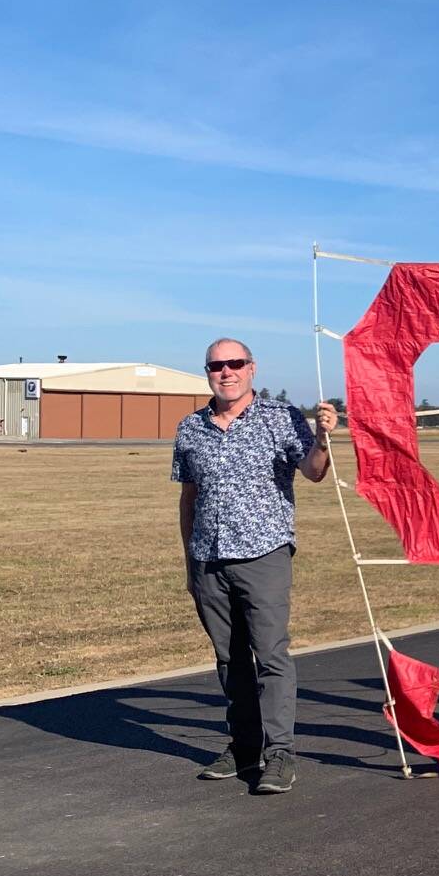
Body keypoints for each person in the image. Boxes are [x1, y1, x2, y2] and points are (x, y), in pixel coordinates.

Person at [173, 339, 337, 795]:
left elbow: (314, 470)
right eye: (216, 366)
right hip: (208, 558)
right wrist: (190, 560)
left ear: (252, 369)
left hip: (263, 554)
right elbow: (188, 498)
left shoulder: (281, 417)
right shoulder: (190, 428)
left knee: (270, 656)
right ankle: (244, 745)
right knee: (230, 659)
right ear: (207, 372)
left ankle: (280, 752)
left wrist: (323, 438)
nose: (226, 372)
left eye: (235, 364)